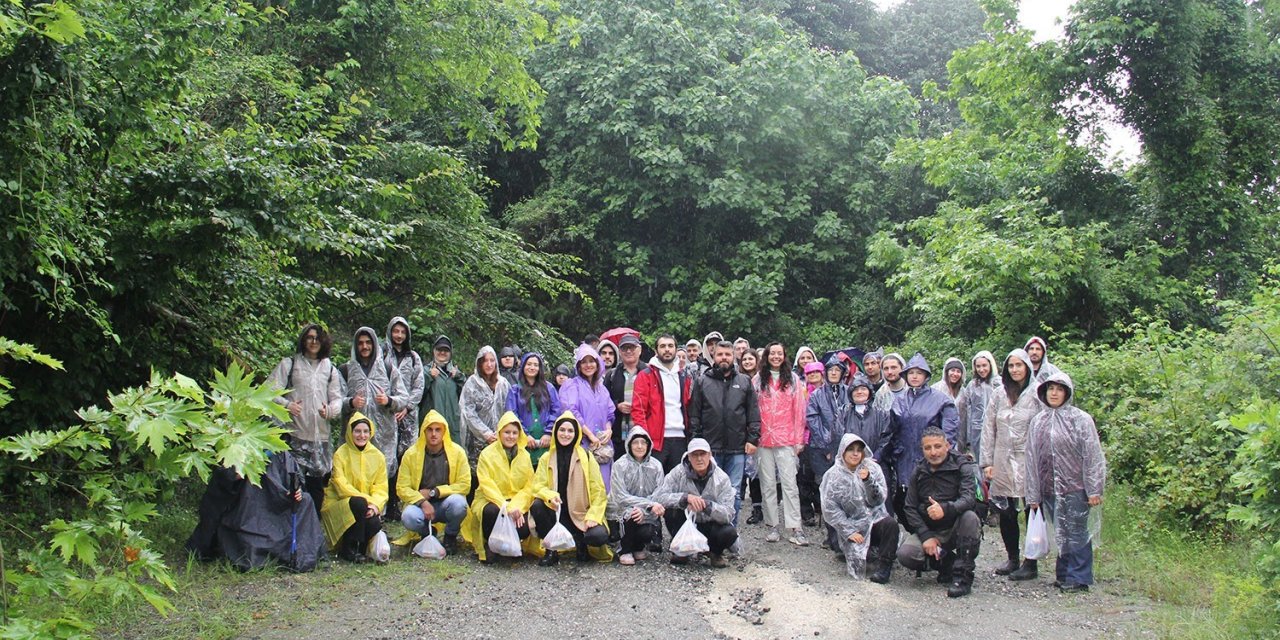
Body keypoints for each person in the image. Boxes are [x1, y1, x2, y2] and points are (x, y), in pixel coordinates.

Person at [1025, 372, 1106, 593]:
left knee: (1076, 531)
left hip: (1075, 487)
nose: (1054, 393)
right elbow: (1031, 458)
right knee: (1059, 531)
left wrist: (1094, 488)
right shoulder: (1038, 421)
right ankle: (1064, 574)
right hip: (1049, 487)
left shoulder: (1080, 419)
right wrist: (1033, 494)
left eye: (1059, 389)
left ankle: (1079, 577)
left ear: (1067, 392)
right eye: (1051, 388)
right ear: (1044, 392)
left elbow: (1092, 455)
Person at [186, 451, 326, 572]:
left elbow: (294, 479)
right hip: (246, 508)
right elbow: (221, 485)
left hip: (277, 504)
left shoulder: (280, 453)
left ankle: (296, 552)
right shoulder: (237, 450)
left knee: (306, 500)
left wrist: (297, 491)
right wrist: (237, 473)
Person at [896, 426, 982, 598]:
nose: (933, 452)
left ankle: (963, 577)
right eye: (928, 448)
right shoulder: (919, 471)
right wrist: (926, 535)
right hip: (931, 530)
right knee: (906, 555)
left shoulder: (962, 466)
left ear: (947, 446)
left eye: (937, 446)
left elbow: (969, 498)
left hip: (956, 527)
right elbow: (910, 507)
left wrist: (945, 509)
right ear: (922, 450)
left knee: (970, 517)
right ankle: (946, 563)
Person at [268, 324, 343, 514]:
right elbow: (268, 392)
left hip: (321, 439)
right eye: (310, 337)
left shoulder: (330, 368)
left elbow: (337, 399)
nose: (314, 342)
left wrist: (330, 411)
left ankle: (313, 529)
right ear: (303, 340)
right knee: (292, 486)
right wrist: (287, 405)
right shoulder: (290, 364)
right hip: (294, 435)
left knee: (316, 487)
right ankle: (290, 530)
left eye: (318, 338)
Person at [980, 348, 1042, 579]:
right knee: (1006, 510)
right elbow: (988, 428)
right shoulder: (999, 394)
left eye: (1019, 365)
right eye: (1012, 366)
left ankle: (1031, 561)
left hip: (1029, 458)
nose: (1015, 370)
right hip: (1003, 457)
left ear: (1027, 367)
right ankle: (1012, 557)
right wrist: (987, 461)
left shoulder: (1037, 393)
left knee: (1032, 509)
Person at [690, 340, 761, 526]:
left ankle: (730, 533)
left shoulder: (744, 381)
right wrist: (697, 442)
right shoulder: (702, 380)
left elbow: (753, 413)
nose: (724, 358)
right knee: (708, 492)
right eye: (720, 354)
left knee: (734, 491)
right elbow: (695, 415)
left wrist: (753, 438)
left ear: (733, 357)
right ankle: (708, 534)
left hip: (737, 447)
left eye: (727, 355)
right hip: (710, 448)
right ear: (714, 356)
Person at [886, 353, 959, 529]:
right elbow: (891, 430)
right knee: (904, 502)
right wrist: (890, 453)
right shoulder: (899, 400)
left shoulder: (940, 400)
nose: (915, 376)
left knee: (929, 500)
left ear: (926, 375)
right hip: (904, 459)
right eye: (911, 373)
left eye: (919, 373)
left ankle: (935, 539)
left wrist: (941, 455)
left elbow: (950, 431)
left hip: (931, 458)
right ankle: (917, 536)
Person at [530, 412, 611, 566]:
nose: (565, 434)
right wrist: (549, 495)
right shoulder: (546, 458)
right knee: (537, 505)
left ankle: (581, 543)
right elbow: (537, 486)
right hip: (556, 511)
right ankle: (551, 550)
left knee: (598, 536)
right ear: (555, 432)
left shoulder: (586, 457)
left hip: (581, 513)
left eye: (570, 431)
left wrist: (593, 516)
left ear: (576, 434)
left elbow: (598, 490)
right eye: (562, 430)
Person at [340, 327, 407, 511]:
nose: (364, 346)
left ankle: (379, 512)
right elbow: (336, 402)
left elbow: (404, 398)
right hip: (356, 434)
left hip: (383, 434)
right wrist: (351, 402)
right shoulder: (346, 370)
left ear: (375, 344)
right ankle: (357, 511)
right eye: (360, 343)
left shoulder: (387, 368)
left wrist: (389, 401)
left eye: (368, 342)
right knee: (356, 473)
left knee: (381, 473)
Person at [821, 434, 898, 582]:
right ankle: (848, 549)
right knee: (851, 551)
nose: (855, 454)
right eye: (851, 450)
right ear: (843, 451)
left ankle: (884, 567)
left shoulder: (873, 469)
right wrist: (849, 530)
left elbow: (878, 500)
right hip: (848, 523)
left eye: (859, 450)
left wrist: (868, 481)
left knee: (891, 524)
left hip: (872, 520)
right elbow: (830, 508)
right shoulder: (833, 475)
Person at [754, 342, 809, 546]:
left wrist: (798, 439)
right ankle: (772, 525)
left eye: (780, 353)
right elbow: (753, 409)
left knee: (790, 484)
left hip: (786, 438)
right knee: (767, 484)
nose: (776, 357)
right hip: (763, 439)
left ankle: (796, 526)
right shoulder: (758, 379)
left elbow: (799, 411)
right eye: (772, 353)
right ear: (766, 356)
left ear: (784, 356)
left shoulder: (793, 380)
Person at [461, 412, 534, 564]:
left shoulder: (525, 456)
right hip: (491, 500)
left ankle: (510, 545)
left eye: (515, 433)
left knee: (524, 525)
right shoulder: (487, 454)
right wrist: (505, 506)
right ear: (499, 432)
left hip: (516, 501)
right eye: (507, 432)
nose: (511, 436)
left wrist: (516, 506)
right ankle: (491, 545)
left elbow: (529, 486)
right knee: (491, 512)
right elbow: (487, 485)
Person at [654, 438, 739, 567]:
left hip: (710, 524)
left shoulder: (722, 478)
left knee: (729, 532)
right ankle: (682, 551)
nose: (699, 459)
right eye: (695, 455)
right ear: (688, 457)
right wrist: (684, 498)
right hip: (685, 521)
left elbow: (729, 513)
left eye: (703, 454)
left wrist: (707, 506)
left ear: (710, 455)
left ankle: (714, 552)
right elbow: (659, 497)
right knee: (670, 511)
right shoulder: (677, 472)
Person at [396, 410, 471, 551]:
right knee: (408, 516)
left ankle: (450, 536)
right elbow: (401, 487)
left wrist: (434, 492)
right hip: (420, 504)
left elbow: (465, 485)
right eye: (429, 430)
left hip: (445, 503)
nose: (434, 434)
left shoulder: (457, 452)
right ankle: (427, 534)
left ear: (444, 432)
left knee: (459, 504)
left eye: (438, 430)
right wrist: (423, 502)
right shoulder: (411, 454)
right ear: (423, 431)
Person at [321, 414, 389, 563]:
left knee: (374, 523)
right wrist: (368, 501)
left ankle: (360, 549)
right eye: (357, 431)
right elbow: (341, 486)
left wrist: (375, 506)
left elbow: (381, 487)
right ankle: (348, 548)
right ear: (350, 433)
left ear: (371, 433)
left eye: (365, 431)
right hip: (341, 504)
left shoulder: (378, 456)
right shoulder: (340, 454)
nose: (362, 435)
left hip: (366, 506)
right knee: (358, 503)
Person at [558, 343, 617, 490]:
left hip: (602, 445)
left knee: (603, 487)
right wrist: (590, 435)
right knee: (583, 487)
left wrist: (608, 430)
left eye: (591, 361)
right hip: (582, 443)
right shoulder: (572, 385)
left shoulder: (601, 388)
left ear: (597, 364)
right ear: (578, 365)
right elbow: (571, 411)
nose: (588, 365)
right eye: (584, 362)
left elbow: (610, 412)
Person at [632, 335, 692, 473]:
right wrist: (644, 437)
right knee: (654, 484)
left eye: (670, 346)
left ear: (676, 350)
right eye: (663, 346)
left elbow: (689, 407)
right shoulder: (645, 375)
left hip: (681, 439)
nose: (667, 350)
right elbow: (638, 409)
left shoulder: (685, 377)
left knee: (677, 485)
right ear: (656, 350)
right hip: (656, 440)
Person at [807, 358, 849, 547]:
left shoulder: (849, 393)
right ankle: (831, 535)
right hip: (821, 450)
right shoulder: (816, 395)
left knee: (845, 491)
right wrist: (827, 446)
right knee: (827, 490)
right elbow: (813, 419)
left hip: (846, 450)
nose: (833, 373)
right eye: (830, 370)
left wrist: (844, 447)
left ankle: (847, 532)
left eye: (837, 370)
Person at [609, 427, 667, 565]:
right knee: (631, 514)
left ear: (649, 445)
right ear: (629, 444)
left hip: (647, 512)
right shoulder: (620, 465)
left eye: (643, 442)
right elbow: (620, 496)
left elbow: (659, 493)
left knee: (646, 529)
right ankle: (624, 549)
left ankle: (638, 546)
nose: (640, 446)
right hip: (622, 511)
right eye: (636, 442)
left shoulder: (656, 466)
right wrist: (645, 505)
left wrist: (645, 509)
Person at [383, 317, 426, 494]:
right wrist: (391, 404)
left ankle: (404, 496)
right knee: (386, 454)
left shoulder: (413, 357)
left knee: (406, 456)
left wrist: (407, 407)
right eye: (396, 331)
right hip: (386, 411)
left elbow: (419, 385)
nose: (399, 335)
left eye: (402, 332)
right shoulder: (382, 354)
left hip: (408, 414)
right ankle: (387, 497)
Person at [506, 352, 561, 469]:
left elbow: (556, 411)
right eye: (529, 364)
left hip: (546, 442)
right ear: (523, 366)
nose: (532, 367)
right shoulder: (515, 390)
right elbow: (512, 415)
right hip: (523, 444)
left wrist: (548, 432)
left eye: (536, 365)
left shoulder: (549, 388)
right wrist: (525, 435)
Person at [459, 346, 512, 462]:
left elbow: (509, 410)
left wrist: (503, 432)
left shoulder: (502, 384)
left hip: (500, 438)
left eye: (492, 360)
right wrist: (485, 433)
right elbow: (468, 412)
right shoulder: (472, 384)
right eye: (485, 361)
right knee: (477, 473)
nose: (489, 364)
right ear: (479, 363)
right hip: (476, 440)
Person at [605, 334, 649, 458]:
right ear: (619, 351)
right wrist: (617, 405)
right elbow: (603, 401)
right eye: (625, 348)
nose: (628, 351)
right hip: (619, 434)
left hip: (644, 433)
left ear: (639, 350)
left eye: (632, 347)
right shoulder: (612, 375)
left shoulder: (649, 372)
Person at [422, 335, 467, 444]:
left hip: (453, 425)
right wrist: (428, 377)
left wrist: (459, 377)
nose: (442, 352)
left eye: (446, 350)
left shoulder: (456, 372)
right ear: (434, 351)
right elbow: (417, 396)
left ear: (450, 353)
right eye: (439, 349)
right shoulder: (425, 371)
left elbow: (467, 396)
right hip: (433, 427)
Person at [958, 351, 1001, 462]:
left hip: (997, 431)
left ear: (991, 365)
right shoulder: (972, 385)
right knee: (979, 463)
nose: (981, 369)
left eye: (984, 365)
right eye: (978, 366)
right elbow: (966, 412)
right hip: (976, 432)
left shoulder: (1000, 384)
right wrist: (967, 439)